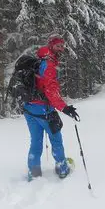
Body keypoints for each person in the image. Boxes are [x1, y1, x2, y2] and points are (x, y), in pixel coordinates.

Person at [23, 35, 80, 180]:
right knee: (56, 139)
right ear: (51, 46)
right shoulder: (48, 66)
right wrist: (65, 108)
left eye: (62, 46)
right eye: (58, 46)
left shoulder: (39, 61)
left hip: (29, 108)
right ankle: (62, 168)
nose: (61, 48)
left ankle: (34, 173)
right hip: (43, 109)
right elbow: (51, 92)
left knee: (35, 141)